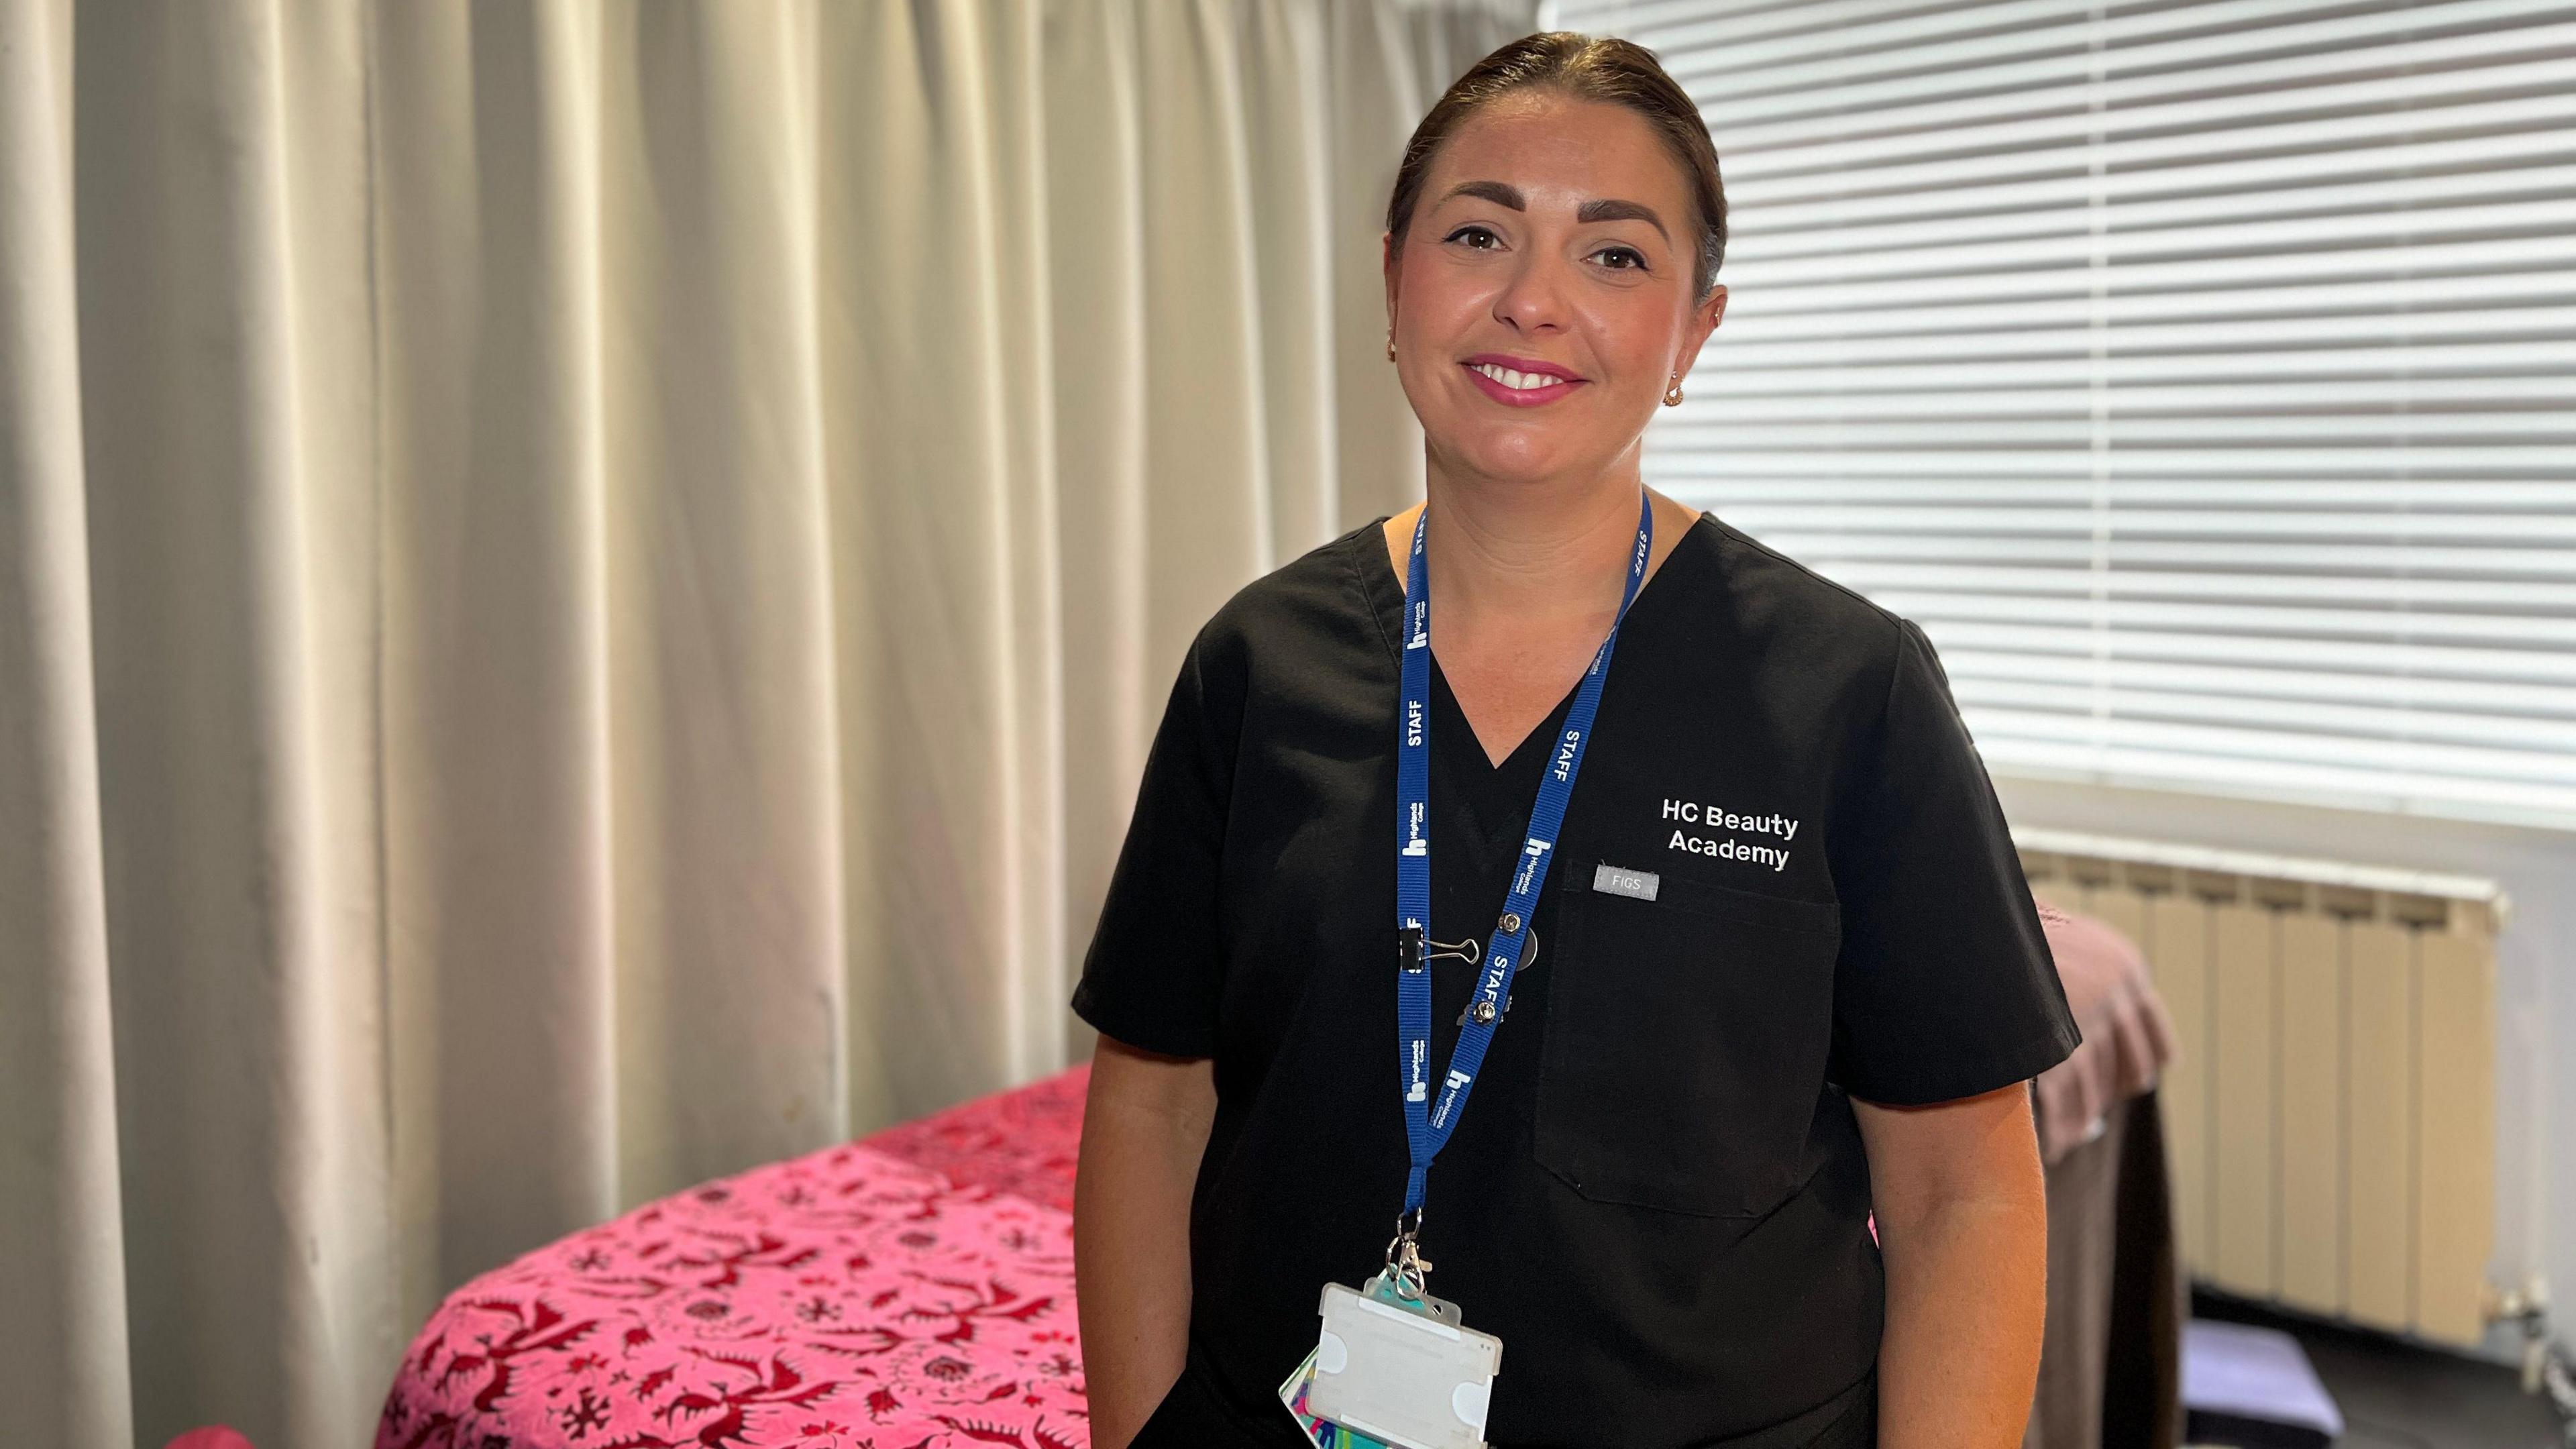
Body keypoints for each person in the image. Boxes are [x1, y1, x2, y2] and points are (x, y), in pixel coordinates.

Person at [1070, 32, 2079, 1449]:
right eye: (1478, 232)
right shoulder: (1258, 665)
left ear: (1696, 333)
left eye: (1614, 257)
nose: (1533, 300)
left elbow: (1962, 1189)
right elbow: (1151, 1108)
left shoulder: (1852, 690)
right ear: (1393, 284)